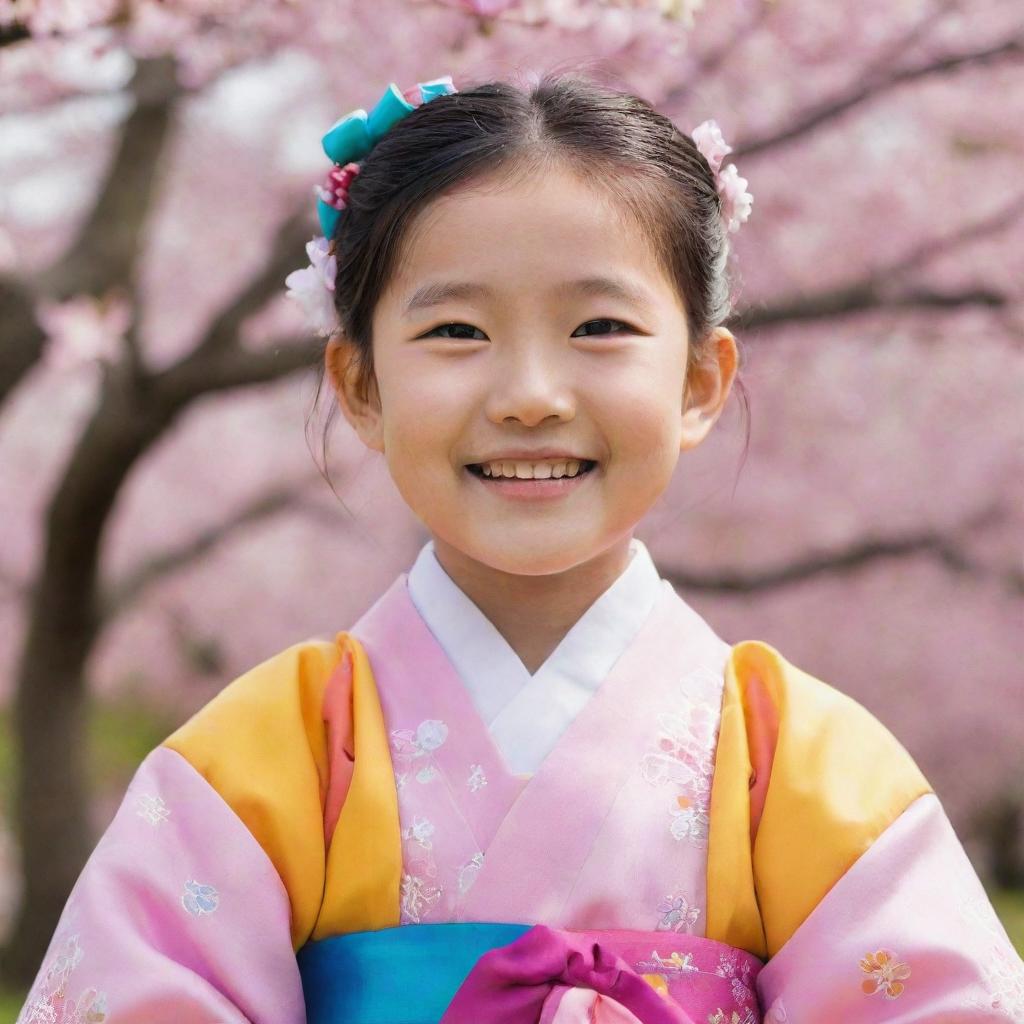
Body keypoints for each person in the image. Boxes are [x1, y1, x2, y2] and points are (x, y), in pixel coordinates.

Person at [17, 71, 1024, 1024]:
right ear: (360, 384)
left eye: (598, 325)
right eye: (457, 331)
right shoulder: (265, 757)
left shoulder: (793, 761)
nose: (530, 394)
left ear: (699, 382)